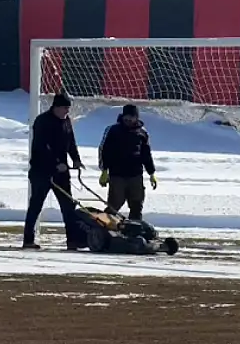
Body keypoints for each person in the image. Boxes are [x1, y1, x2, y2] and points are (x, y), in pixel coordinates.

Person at [22, 93, 86, 250]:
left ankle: (72, 240)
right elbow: (42, 147)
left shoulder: (66, 122)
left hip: (62, 173)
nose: (67, 112)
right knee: (36, 205)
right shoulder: (42, 121)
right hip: (41, 171)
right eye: (65, 108)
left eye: (68, 109)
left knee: (68, 206)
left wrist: (76, 159)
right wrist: (55, 164)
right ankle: (28, 239)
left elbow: (71, 142)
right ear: (56, 107)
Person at [97, 104, 157, 221]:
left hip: (136, 175)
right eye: (126, 116)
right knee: (114, 205)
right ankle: (103, 227)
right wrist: (104, 171)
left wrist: (151, 173)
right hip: (117, 175)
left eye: (131, 117)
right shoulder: (112, 130)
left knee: (136, 205)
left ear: (136, 118)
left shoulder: (142, 133)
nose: (128, 119)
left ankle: (134, 231)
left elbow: (146, 155)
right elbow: (104, 151)